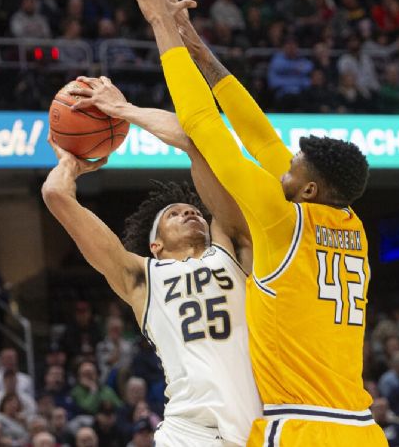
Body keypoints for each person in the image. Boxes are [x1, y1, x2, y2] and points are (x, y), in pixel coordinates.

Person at [127, 0, 384, 444]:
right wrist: (196, 45)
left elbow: (203, 122)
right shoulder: (351, 221)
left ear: (307, 190)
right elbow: (259, 133)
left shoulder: (281, 216)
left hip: (301, 425)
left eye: (292, 170)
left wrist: (161, 25)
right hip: (363, 429)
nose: (281, 169)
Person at [46, 77, 260, 445]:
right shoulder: (142, 277)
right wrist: (71, 164)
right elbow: (54, 194)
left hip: (257, 429)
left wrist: (123, 111)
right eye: (175, 213)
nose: (190, 212)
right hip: (188, 431)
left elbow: (199, 144)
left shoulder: (233, 249)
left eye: (193, 210)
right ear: (156, 245)